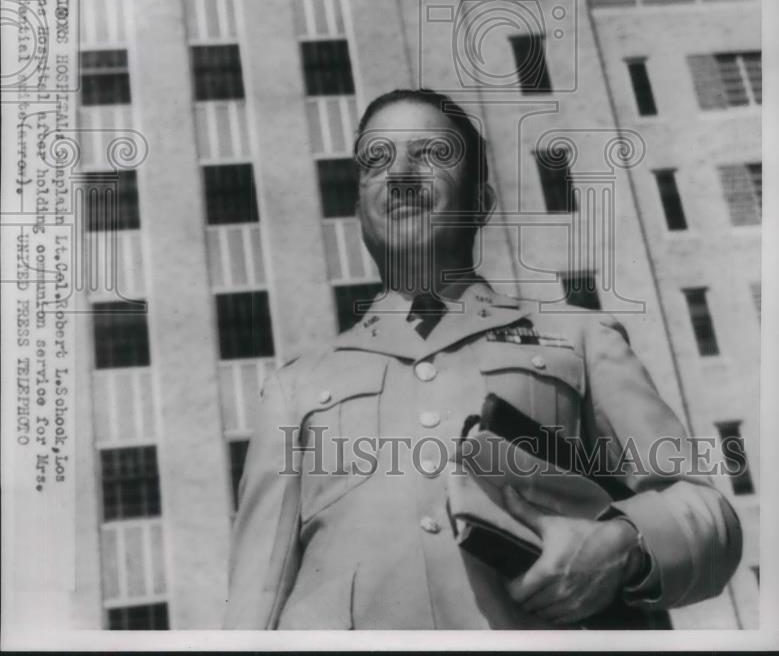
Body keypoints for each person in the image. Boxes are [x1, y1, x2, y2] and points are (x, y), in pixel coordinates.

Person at [224, 88, 742, 630]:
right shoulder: (295, 387)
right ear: (359, 209)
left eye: (430, 154)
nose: (399, 174)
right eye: (376, 160)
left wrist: (622, 544)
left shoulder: (578, 338)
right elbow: (253, 600)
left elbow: (708, 515)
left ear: (481, 201)